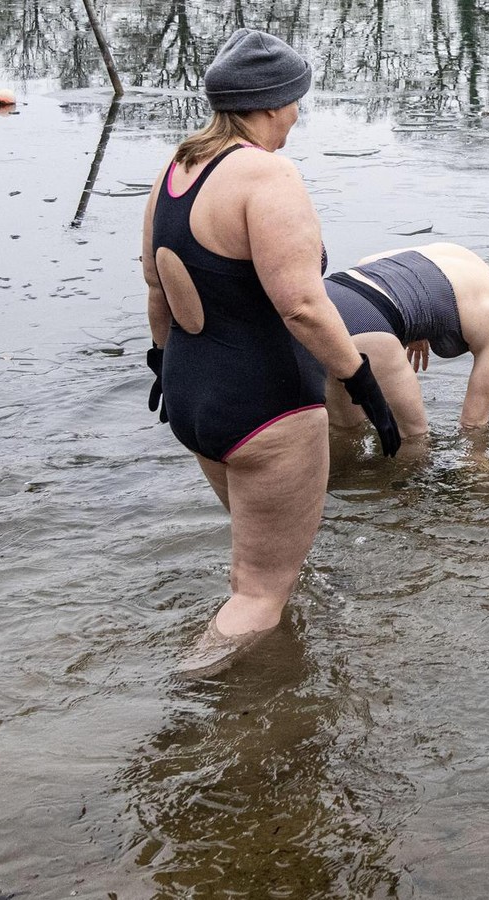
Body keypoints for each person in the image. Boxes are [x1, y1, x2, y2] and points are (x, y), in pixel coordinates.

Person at [140, 28, 400, 676]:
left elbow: (157, 287)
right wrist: (361, 382)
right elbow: (303, 305)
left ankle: (271, 682)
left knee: (265, 565)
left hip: (193, 399)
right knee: (258, 593)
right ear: (271, 103)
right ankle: (187, 700)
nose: (297, 114)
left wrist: (162, 364)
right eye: (295, 101)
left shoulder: (177, 170)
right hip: (268, 408)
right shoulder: (267, 175)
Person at [321, 237, 489, 439]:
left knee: (346, 433)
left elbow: (368, 263)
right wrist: (482, 474)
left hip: (325, 302)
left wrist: (415, 324)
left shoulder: (462, 256)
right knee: (415, 440)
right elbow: (473, 425)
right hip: (371, 324)